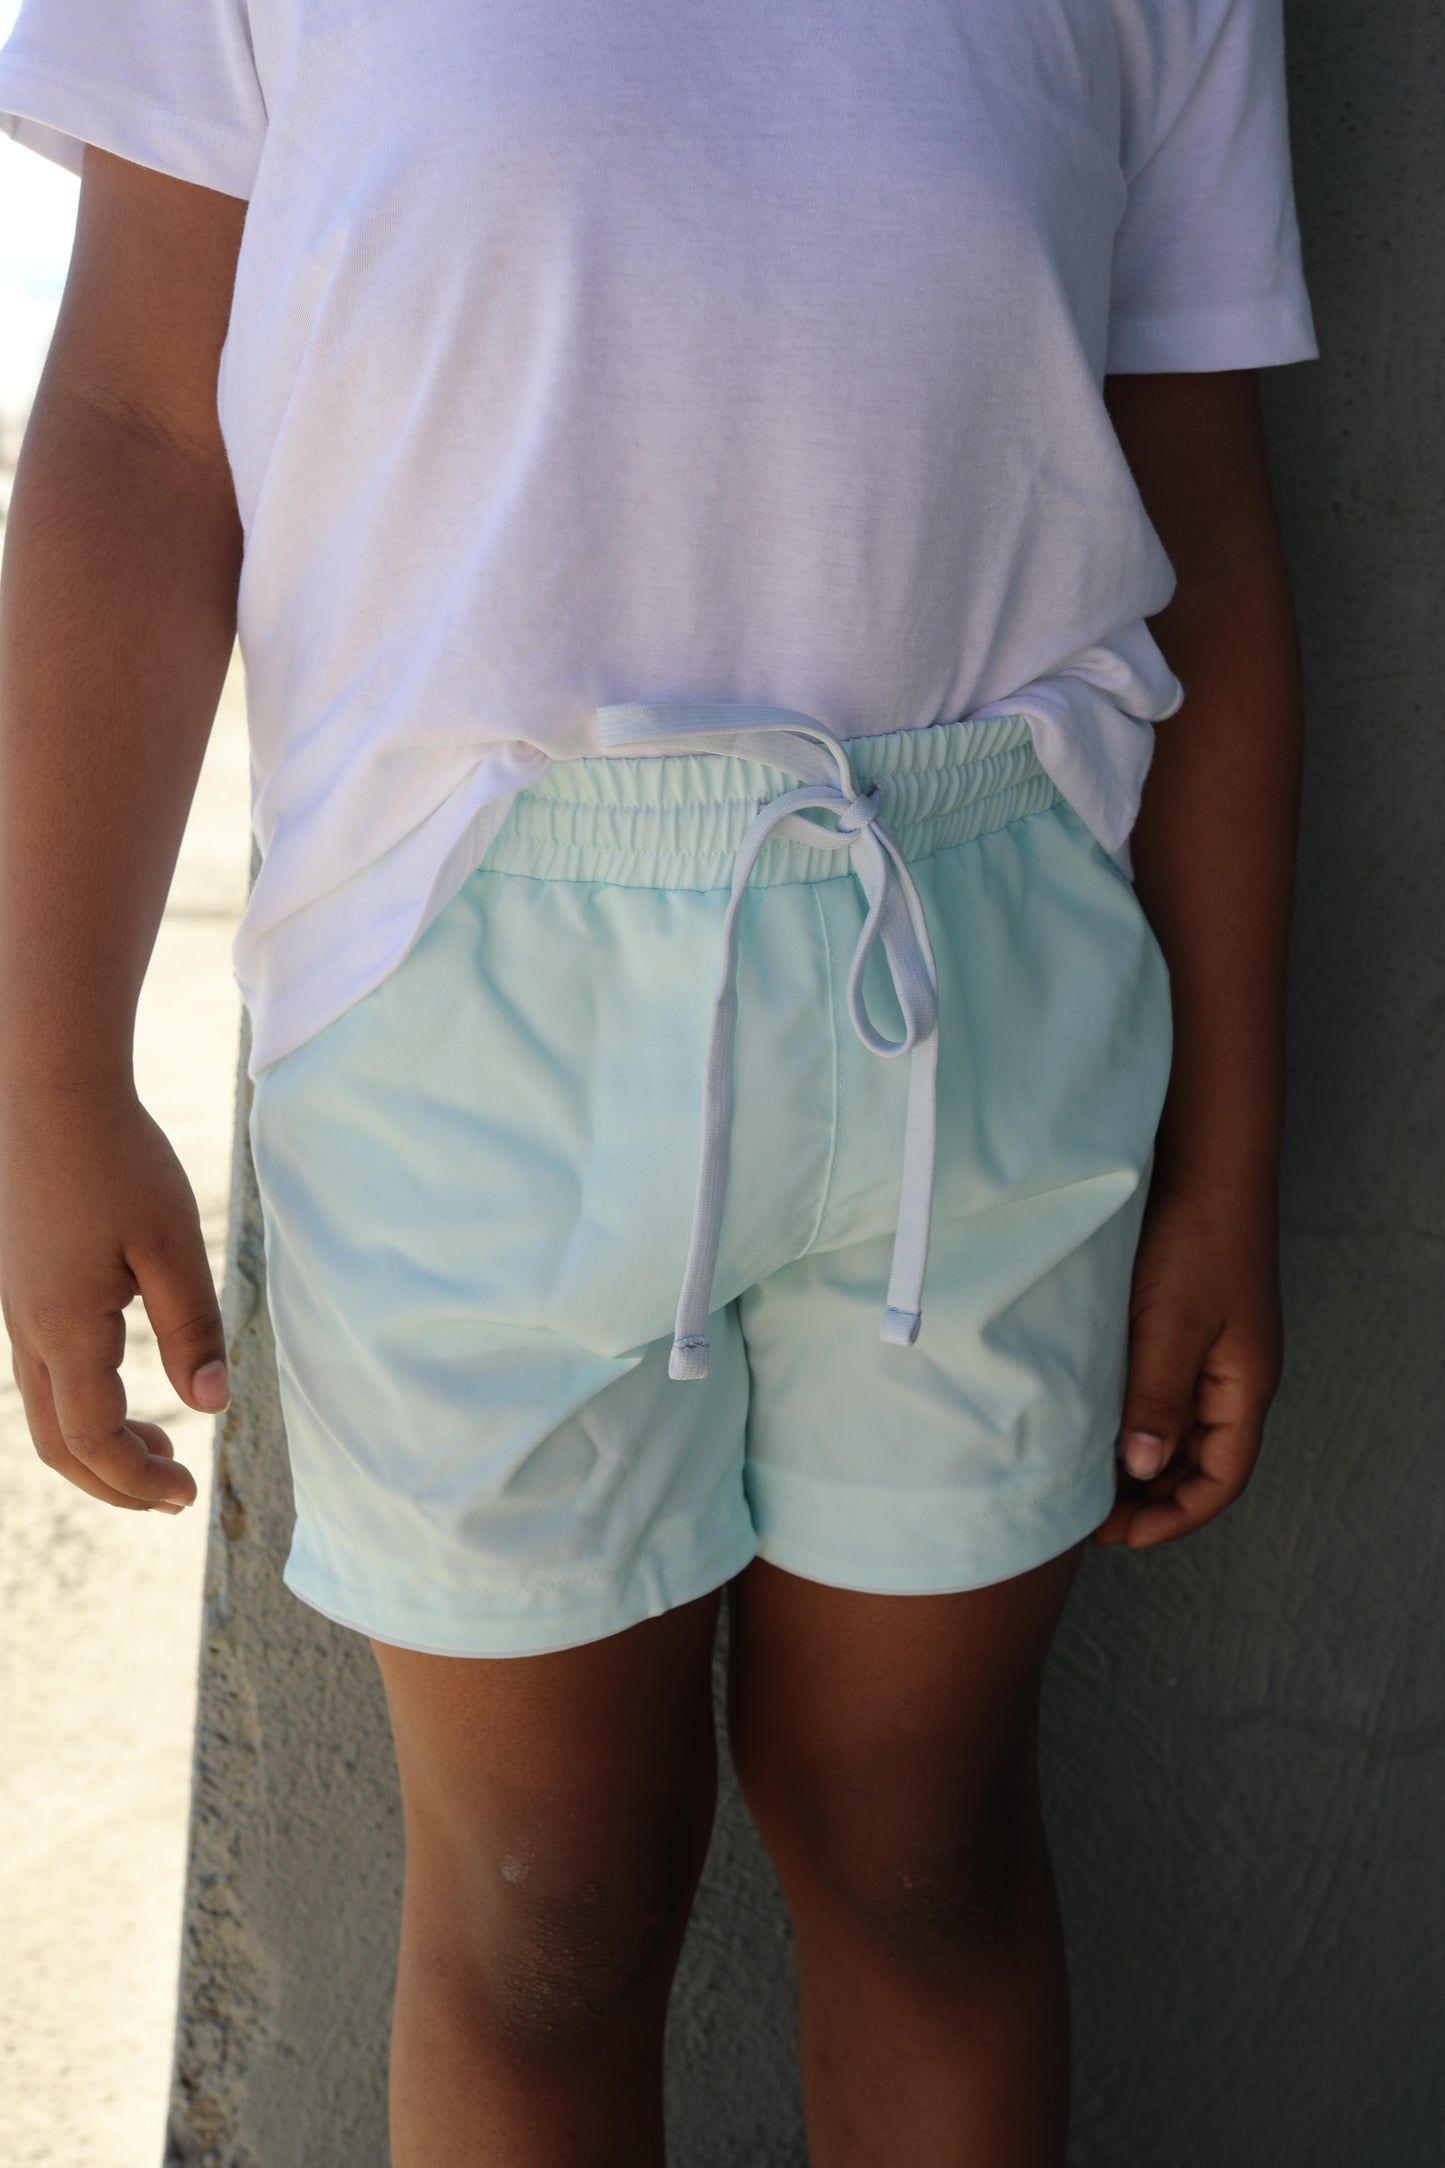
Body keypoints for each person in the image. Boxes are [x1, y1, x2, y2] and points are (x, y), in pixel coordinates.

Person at [0, 1, 1316, 2160]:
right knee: (549, 1903)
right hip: (460, 997)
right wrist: (48, 1067)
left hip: (983, 982)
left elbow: (1217, 538)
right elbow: (139, 429)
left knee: (923, 1843)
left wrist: (1228, 1162)